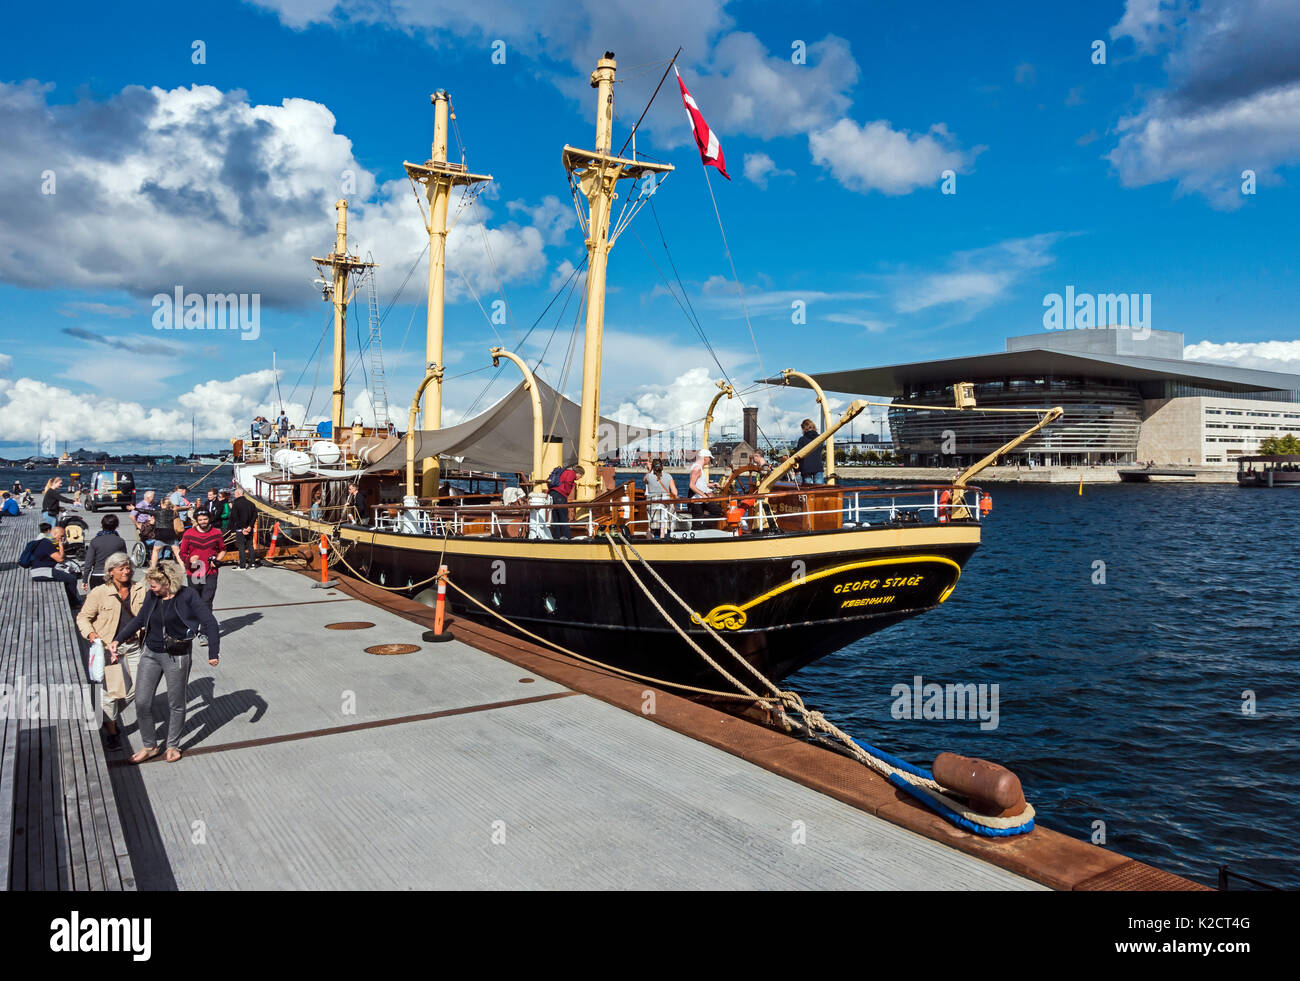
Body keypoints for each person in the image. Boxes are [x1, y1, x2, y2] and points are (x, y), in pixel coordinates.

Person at [109, 564, 220, 764]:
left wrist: (213, 652)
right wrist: (118, 639)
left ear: (169, 583)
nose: (151, 587)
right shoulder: (153, 596)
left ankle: (172, 745)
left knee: (176, 703)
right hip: (151, 653)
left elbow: (209, 622)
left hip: (176, 656)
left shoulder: (188, 596)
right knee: (142, 702)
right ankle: (150, 746)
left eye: (155, 584)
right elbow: (140, 619)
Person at [77, 552, 146, 750]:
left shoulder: (140, 589)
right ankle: (112, 732)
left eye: (128, 568)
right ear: (111, 571)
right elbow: (83, 617)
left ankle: (109, 714)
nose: (126, 571)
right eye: (121, 568)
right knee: (108, 694)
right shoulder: (99, 592)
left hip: (134, 646)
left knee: (140, 687)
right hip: (108, 649)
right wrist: (92, 636)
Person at [179, 511, 224, 645]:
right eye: (200, 519)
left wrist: (217, 560)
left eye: (205, 519)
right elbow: (182, 553)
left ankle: (204, 632)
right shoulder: (189, 534)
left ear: (209, 519)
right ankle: (192, 627)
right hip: (195, 571)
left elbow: (222, 549)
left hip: (211, 572)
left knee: (206, 602)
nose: (203, 521)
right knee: (194, 602)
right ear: (196, 520)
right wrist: (189, 559)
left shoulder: (216, 533)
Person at [28, 525, 81, 606]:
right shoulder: (47, 544)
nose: (62, 538)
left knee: (70, 576)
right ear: (54, 534)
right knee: (72, 579)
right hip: (41, 571)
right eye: (61, 536)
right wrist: (61, 545)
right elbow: (60, 559)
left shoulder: (48, 541)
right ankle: (73, 603)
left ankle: (71, 598)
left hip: (45, 569)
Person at [82, 513, 127, 592]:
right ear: (116, 526)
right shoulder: (120, 541)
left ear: (102, 525)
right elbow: (124, 561)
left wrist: (85, 580)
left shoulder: (94, 541)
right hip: (114, 576)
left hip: (97, 576)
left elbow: (88, 563)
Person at [644, 458, 678, 539]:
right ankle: (663, 535)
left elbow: (644, 480)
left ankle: (650, 539)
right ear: (662, 466)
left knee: (651, 524)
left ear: (653, 467)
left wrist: (649, 470)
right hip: (664, 505)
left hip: (652, 505)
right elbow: (675, 492)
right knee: (663, 519)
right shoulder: (668, 476)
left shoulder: (648, 476)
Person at [548, 465, 584, 539]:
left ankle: (557, 536)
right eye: (580, 476)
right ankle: (567, 536)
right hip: (560, 494)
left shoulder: (564, 472)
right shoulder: (571, 473)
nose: (579, 478)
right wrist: (567, 492)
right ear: (579, 473)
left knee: (556, 516)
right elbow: (568, 481)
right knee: (563, 516)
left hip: (553, 493)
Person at [228, 485, 258, 569]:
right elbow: (255, 515)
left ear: (238, 494)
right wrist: (250, 526)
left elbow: (235, 517)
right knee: (250, 545)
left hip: (240, 528)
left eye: (234, 494)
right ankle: (252, 564)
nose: (234, 496)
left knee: (241, 546)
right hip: (249, 528)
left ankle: (242, 565)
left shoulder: (236, 504)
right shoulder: (251, 503)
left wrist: (242, 528)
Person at [688, 450, 721, 521]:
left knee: (717, 512)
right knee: (717, 512)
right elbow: (691, 485)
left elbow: (699, 483)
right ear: (705, 458)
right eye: (709, 458)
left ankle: (704, 527)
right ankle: (704, 527)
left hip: (701, 498)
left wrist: (711, 484)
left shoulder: (698, 467)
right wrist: (703, 494)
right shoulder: (697, 469)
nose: (709, 460)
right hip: (697, 499)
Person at [794, 419, 824, 485]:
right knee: (820, 489)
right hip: (818, 466)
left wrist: (796, 469)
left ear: (804, 428)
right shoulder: (820, 438)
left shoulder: (802, 439)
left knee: (808, 490)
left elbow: (798, 455)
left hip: (806, 468)